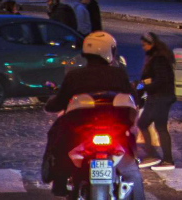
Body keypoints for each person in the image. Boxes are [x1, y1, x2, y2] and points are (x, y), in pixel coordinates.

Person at [42, 31, 140, 197]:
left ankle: (58, 182)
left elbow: (59, 102)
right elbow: (133, 98)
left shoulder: (75, 75)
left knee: (56, 139)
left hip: (81, 133)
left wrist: (50, 103)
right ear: (109, 51)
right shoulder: (119, 74)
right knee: (133, 168)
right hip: (114, 132)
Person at [136, 33, 176, 170]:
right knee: (150, 124)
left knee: (156, 126)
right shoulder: (156, 57)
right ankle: (157, 155)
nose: (143, 48)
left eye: (144, 45)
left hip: (160, 97)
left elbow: (160, 81)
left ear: (151, 44)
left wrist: (143, 87)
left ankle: (162, 157)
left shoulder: (158, 59)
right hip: (158, 97)